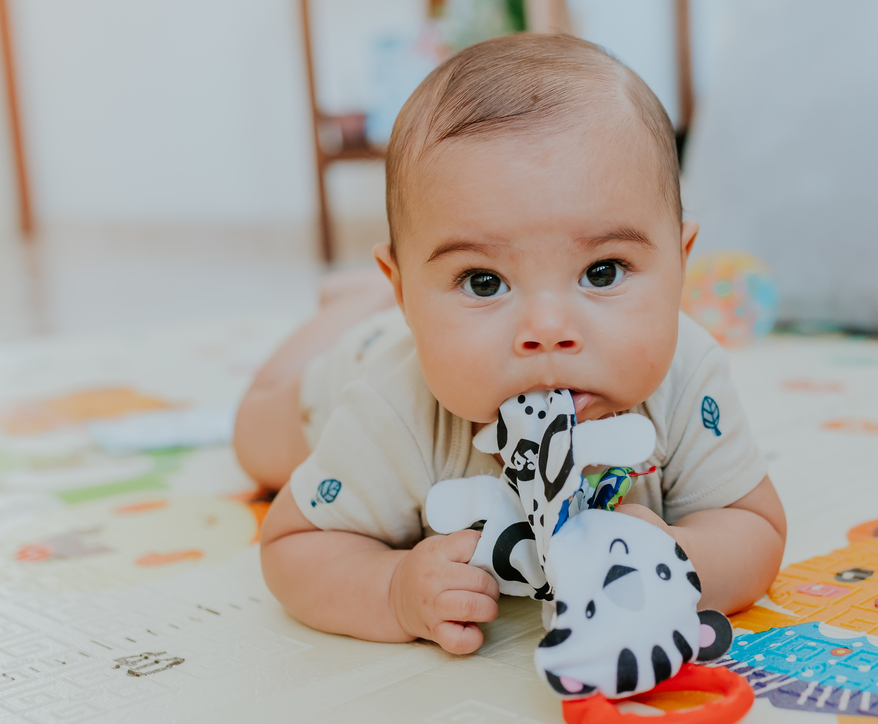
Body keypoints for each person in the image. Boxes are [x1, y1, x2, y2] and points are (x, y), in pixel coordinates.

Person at [234, 34, 786, 656]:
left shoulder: (688, 373)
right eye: (483, 281)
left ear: (679, 268)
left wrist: (676, 558)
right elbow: (292, 546)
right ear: (407, 292)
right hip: (350, 368)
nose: (547, 330)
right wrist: (391, 588)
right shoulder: (391, 408)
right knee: (253, 439)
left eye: (602, 271)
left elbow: (753, 524)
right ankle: (351, 308)